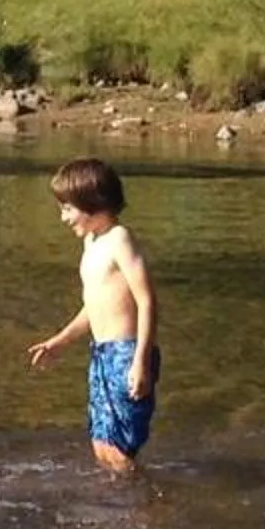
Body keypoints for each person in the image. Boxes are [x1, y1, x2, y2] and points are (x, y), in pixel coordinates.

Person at [27, 156, 159, 472]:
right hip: (101, 354)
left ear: (92, 202)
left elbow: (147, 301)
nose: (63, 218)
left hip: (126, 354)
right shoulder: (91, 242)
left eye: (67, 208)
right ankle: (118, 508)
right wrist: (60, 341)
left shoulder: (119, 239)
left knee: (119, 448)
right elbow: (95, 305)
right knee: (100, 443)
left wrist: (140, 362)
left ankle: (146, 509)